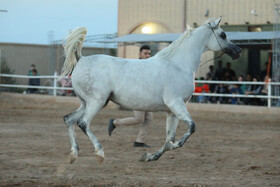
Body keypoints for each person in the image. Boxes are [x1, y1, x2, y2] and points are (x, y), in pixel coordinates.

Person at [108, 45, 153, 148]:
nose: (148, 55)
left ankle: (139, 141)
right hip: (136, 95)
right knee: (139, 119)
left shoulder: (150, 66)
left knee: (149, 117)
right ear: (140, 54)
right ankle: (115, 123)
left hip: (145, 96)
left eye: (149, 54)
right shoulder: (136, 65)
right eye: (145, 53)